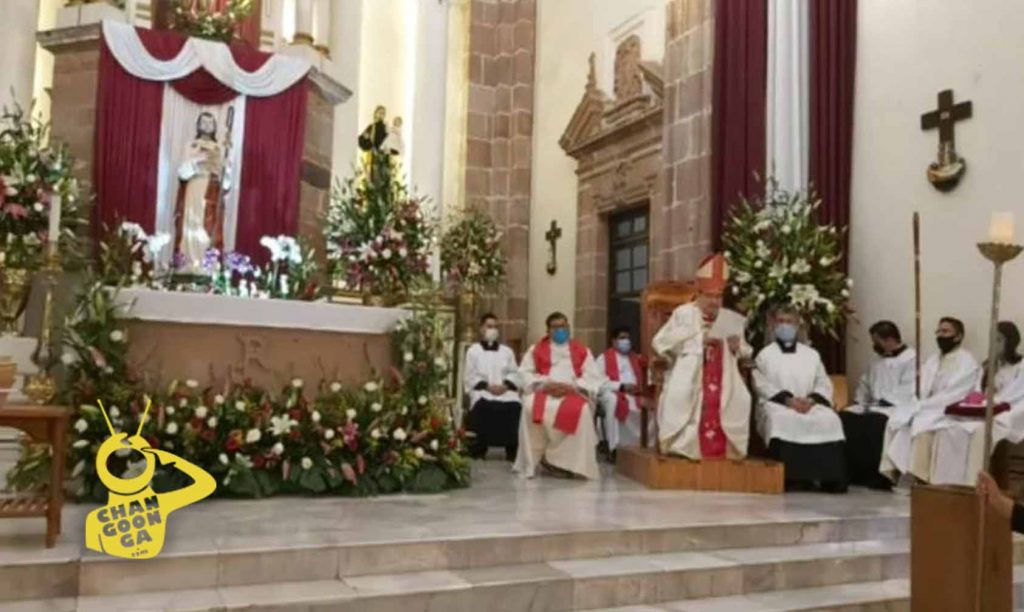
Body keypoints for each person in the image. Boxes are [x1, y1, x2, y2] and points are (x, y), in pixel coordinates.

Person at [652, 253, 752, 460]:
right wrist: (698, 341)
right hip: (689, 369)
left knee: (740, 399)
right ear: (699, 294)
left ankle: (728, 450)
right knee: (682, 396)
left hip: (725, 374)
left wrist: (736, 347)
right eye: (710, 296)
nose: (715, 301)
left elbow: (746, 350)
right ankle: (684, 447)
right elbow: (661, 342)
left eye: (718, 296)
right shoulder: (683, 313)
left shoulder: (730, 318)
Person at [753, 304, 846, 492]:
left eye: (789, 321)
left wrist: (811, 400)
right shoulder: (765, 355)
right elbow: (760, 384)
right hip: (779, 404)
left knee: (830, 419)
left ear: (797, 325)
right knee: (782, 420)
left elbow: (823, 381)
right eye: (781, 321)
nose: (785, 326)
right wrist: (789, 401)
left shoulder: (811, 354)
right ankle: (790, 477)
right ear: (772, 324)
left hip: (809, 403)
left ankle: (830, 478)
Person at [879, 317, 980, 483]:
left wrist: (926, 405)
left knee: (921, 427)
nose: (940, 335)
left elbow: (957, 392)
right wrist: (918, 402)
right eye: (938, 331)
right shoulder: (933, 360)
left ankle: (921, 477)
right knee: (896, 420)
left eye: (946, 331)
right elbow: (922, 389)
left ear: (958, 336)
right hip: (928, 406)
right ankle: (893, 472)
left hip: (948, 409)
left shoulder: (966, 361)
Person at [930, 322, 1024, 486]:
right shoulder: (989, 365)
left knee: (980, 433)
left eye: (999, 340)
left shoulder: (1021, 366)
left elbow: (1017, 394)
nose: (995, 344)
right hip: (985, 409)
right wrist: (981, 396)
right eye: (992, 340)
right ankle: (946, 482)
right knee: (949, 428)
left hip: (1011, 410)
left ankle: (971, 483)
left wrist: (995, 399)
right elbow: (977, 390)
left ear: (1011, 341)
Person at [514, 312, 604, 480]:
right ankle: (536, 460)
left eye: (563, 326)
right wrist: (545, 385)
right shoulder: (536, 349)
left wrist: (572, 387)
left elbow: (592, 377)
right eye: (556, 327)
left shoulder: (582, 351)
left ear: (568, 328)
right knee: (529, 406)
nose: (560, 330)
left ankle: (570, 464)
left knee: (583, 411)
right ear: (548, 331)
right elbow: (524, 373)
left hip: (572, 393)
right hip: (544, 392)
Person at [839, 321, 916, 489]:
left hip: (896, 407)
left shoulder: (911, 359)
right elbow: (864, 383)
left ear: (889, 340)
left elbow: (908, 389)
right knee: (846, 418)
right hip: (873, 404)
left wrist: (882, 402)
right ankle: (852, 474)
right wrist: (860, 402)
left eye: (876, 341)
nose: (874, 345)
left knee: (876, 423)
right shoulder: (875, 361)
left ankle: (877, 476)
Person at [464, 313, 522, 461]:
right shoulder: (473, 351)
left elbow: (515, 372)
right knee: (483, 407)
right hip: (483, 391)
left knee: (514, 406)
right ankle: (479, 449)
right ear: (481, 329)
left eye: (495, 327)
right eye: (489, 326)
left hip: (504, 391)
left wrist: (505, 386)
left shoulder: (506, 351)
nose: (493, 330)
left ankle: (512, 449)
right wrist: (488, 387)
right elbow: (470, 375)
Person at [175, 111, 226, 272]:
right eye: (203, 122)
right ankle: (188, 263)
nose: (207, 126)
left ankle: (207, 266)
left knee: (208, 226)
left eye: (210, 123)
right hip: (193, 188)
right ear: (198, 125)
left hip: (211, 190)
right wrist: (199, 161)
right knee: (191, 224)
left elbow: (225, 179)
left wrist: (222, 170)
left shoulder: (220, 148)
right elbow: (182, 172)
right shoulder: (190, 145)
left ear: (215, 127)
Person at [595, 327, 648, 460]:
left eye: (628, 338)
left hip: (636, 394)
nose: (626, 341)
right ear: (613, 341)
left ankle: (643, 446)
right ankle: (614, 448)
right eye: (622, 338)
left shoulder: (636, 358)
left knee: (652, 405)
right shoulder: (603, 358)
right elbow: (598, 382)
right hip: (614, 392)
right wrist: (621, 387)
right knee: (613, 402)